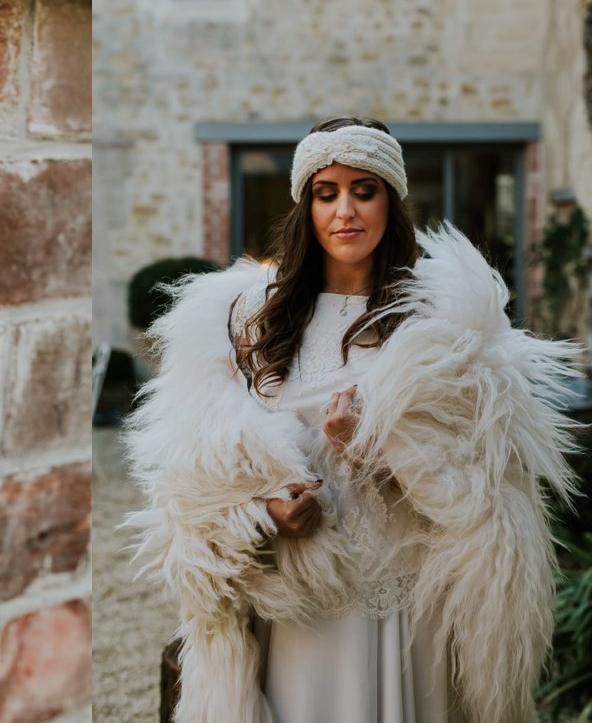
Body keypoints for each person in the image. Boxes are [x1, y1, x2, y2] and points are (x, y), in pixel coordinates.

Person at [125, 117, 579, 723]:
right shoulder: (250, 322)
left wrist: (371, 447)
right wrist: (264, 513)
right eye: (326, 192)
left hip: (407, 590)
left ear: (390, 202)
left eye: (364, 190)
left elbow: (486, 490)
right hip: (302, 597)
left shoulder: (442, 327)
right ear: (304, 205)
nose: (346, 210)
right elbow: (199, 477)